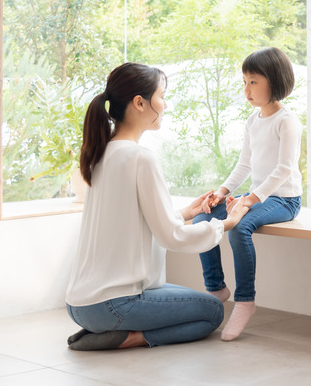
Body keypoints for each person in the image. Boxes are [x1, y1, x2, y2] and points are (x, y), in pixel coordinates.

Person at [65, 62, 249, 351]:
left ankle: (105, 331)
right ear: (140, 103)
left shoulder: (101, 153)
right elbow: (171, 237)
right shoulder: (140, 157)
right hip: (114, 305)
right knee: (214, 311)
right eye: (162, 96)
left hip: (79, 304)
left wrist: (189, 212)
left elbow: (134, 220)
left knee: (199, 301)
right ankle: (129, 337)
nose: (165, 104)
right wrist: (226, 223)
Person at [193, 47, 303, 341]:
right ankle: (216, 288)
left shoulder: (287, 121)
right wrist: (221, 193)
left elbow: (283, 169)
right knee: (202, 220)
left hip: (284, 199)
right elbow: (244, 164)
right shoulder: (253, 121)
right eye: (245, 81)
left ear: (275, 80)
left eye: (253, 81)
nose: (246, 89)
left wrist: (249, 200)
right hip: (257, 195)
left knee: (239, 227)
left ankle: (245, 302)